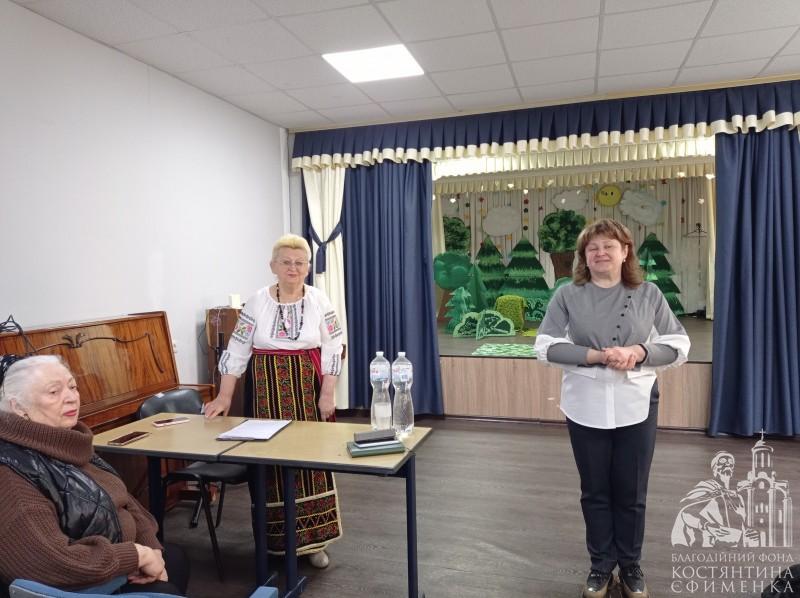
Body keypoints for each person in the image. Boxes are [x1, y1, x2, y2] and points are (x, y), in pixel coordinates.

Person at [534, 219, 691, 598]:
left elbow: (678, 344)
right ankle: (601, 565)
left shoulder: (649, 293)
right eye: (592, 248)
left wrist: (638, 351)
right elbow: (545, 346)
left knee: (631, 489)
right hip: (585, 404)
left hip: (637, 402)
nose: (600, 253)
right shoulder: (567, 295)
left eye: (609, 246)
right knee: (594, 490)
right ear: (583, 256)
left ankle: (631, 565)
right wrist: (596, 356)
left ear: (625, 252)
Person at [204, 233, 343, 569]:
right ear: (273, 266)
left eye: (300, 263)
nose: (293, 268)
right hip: (266, 392)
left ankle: (313, 543)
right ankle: (275, 543)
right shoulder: (257, 302)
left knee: (310, 462)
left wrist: (327, 395)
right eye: (286, 262)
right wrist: (224, 396)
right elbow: (238, 348)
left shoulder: (319, 300)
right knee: (270, 465)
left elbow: (334, 347)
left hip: (306, 391)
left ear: (308, 267)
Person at [0, 355, 189, 597]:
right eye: (54, 392)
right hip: (74, 581)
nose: (71, 397)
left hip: (112, 556)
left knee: (175, 558)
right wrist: (138, 555)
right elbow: (46, 562)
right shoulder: (11, 470)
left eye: (72, 387)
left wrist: (151, 547)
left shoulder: (67, 440)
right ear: (18, 407)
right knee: (165, 586)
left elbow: (123, 500)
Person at [671, 451, 760, 548]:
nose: (727, 464)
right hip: (707, 543)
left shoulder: (738, 497)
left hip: (733, 545)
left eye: (730, 462)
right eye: (722, 461)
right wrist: (706, 525)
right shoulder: (706, 487)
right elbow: (685, 509)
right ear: (715, 468)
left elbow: (741, 522)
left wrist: (749, 532)